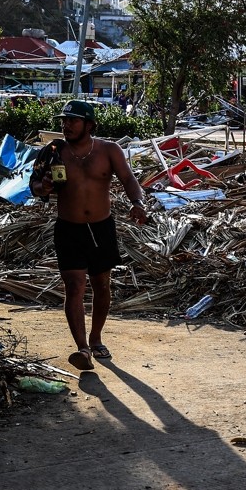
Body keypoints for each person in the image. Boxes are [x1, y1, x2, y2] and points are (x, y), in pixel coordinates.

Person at [29, 100, 148, 371]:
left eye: (73, 120)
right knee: (74, 286)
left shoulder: (109, 150)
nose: (66, 125)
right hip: (68, 228)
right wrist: (44, 187)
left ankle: (95, 338)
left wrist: (137, 203)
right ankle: (82, 348)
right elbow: (33, 185)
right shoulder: (53, 152)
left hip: (100, 227)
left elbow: (129, 179)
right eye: (64, 121)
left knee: (101, 286)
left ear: (89, 124)